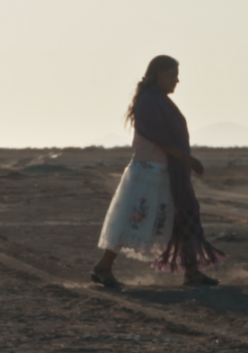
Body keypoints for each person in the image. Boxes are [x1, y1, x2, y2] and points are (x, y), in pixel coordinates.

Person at [91, 55, 227, 287]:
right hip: (149, 174)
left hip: (167, 173)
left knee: (182, 219)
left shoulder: (159, 99)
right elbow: (158, 136)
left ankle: (192, 272)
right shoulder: (148, 101)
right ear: (161, 74)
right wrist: (186, 158)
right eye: (173, 76)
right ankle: (103, 268)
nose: (177, 81)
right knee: (132, 221)